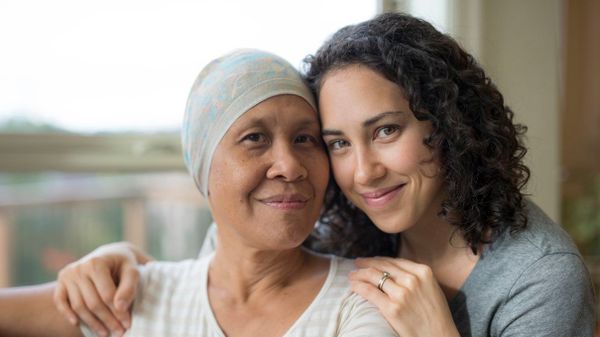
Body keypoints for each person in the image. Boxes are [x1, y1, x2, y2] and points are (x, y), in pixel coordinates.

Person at [54, 12, 597, 337]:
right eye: (337, 142)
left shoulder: (539, 280)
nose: (364, 172)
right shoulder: (332, 221)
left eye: (386, 131)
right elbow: (223, 279)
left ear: (450, 124)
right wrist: (124, 259)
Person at [0, 49, 397, 337]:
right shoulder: (132, 298)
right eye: (255, 138)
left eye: (305, 138)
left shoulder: (363, 299)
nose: (290, 165)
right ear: (203, 168)